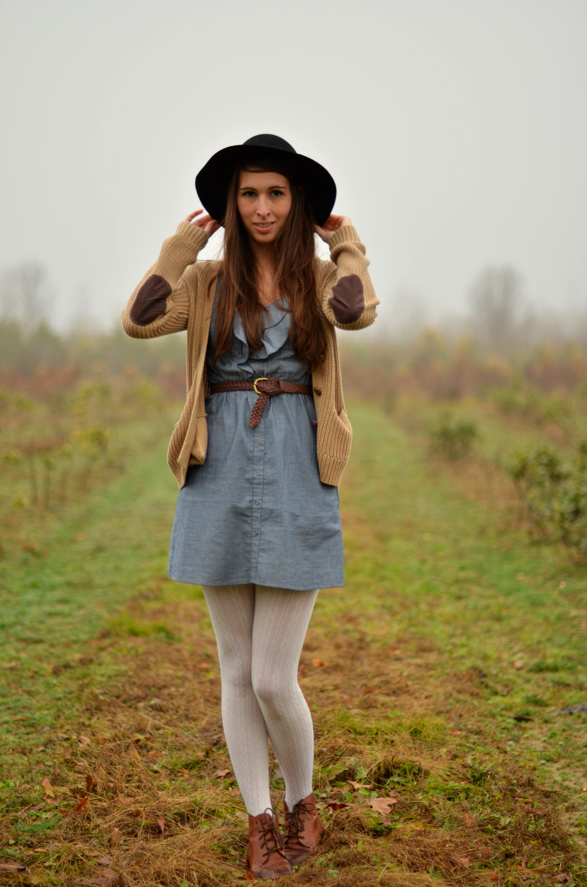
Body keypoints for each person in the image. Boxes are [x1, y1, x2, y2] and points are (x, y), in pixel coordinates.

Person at [122, 134, 378, 879]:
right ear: (230, 205)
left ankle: (304, 804)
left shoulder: (320, 277)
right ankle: (259, 821)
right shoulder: (206, 281)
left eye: (275, 193)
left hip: (298, 465)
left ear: (296, 202)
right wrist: (180, 247)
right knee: (235, 668)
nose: (262, 207)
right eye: (248, 194)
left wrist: (347, 243)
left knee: (272, 676)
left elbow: (355, 312)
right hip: (218, 468)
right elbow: (140, 318)